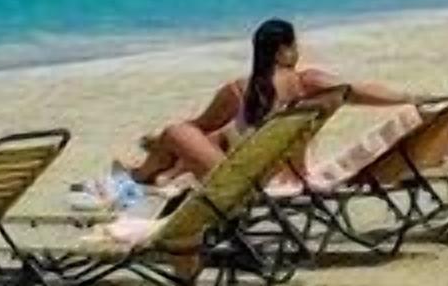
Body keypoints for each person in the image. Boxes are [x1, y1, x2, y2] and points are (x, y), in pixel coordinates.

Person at [120, 17, 413, 188]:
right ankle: (158, 170)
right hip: (290, 178)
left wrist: (163, 141)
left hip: (244, 184)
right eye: (294, 46)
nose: (297, 52)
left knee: (177, 132)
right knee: (211, 136)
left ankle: (141, 175)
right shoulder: (307, 83)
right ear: (282, 51)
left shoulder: (237, 91)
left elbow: (196, 128)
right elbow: (358, 92)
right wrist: (410, 97)